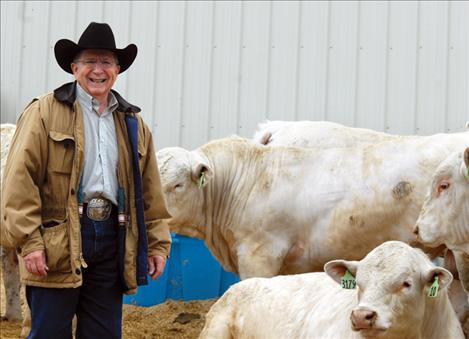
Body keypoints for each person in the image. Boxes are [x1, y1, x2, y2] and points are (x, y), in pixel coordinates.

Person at [1, 22, 171, 338]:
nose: (98, 70)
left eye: (106, 62)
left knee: (104, 333)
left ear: (118, 69)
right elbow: (18, 181)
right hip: (58, 238)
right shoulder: (43, 112)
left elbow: (150, 190)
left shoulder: (132, 122)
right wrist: (30, 241)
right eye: (90, 61)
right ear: (74, 67)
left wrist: (158, 243)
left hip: (112, 237)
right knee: (50, 331)